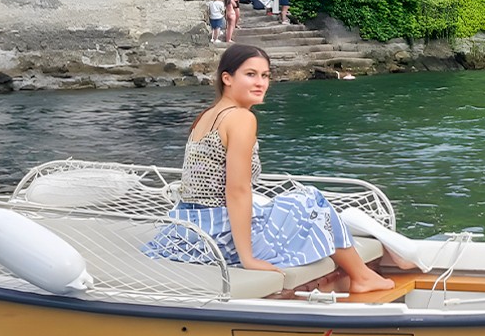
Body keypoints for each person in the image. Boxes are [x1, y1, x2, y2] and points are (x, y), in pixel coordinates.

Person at [144, 45, 394, 292]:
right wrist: (248, 259)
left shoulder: (207, 115)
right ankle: (361, 276)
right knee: (309, 200)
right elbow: (237, 191)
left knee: (295, 204)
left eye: (265, 76)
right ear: (227, 78)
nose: (260, 83)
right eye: (250, 74)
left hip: (188, 228)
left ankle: (362, 275)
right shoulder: (241, 118)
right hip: (219, 235)